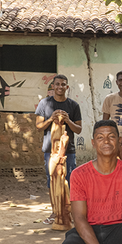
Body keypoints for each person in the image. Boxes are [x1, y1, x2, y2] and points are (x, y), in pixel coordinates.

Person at [36, 74, 82, 224]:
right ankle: (55, 212)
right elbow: (38, 127)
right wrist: (51, 118)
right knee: (52, 182)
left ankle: (71, 213)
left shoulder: (73, 106)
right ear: (53, 87)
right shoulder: (44, 104)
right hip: (50, 151)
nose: (60, 87)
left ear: (67, 87)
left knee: (69, 182)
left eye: (63, 84)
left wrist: (68, 120)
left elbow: (79, 129)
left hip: (68, 151)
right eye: (57, 84)